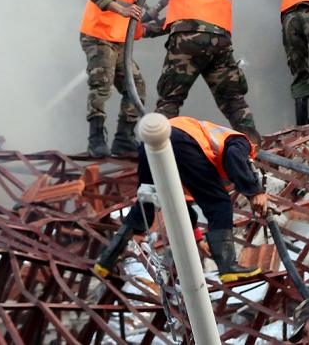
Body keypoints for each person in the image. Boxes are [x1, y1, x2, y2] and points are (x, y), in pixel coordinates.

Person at [93, 116, 269, 283]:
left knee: (144, 206)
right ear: (253, 146)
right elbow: (235, 157)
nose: (249, 161)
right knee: (219, 203)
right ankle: (228, 267)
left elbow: (181, 202)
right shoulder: (240, 141)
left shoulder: (202, 152)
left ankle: (105, 261)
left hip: (152, 143)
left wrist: (197, 238)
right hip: (179, 139)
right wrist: (255, 191)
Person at [79, 0, 190, 157]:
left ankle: (123, 138)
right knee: (102, 86)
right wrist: (122, 9)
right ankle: (95, 139)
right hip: (99, 36)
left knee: (136, 87)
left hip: (118, 39)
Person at [148, 0, 260, 144]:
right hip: (219, 41)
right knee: (233, 101)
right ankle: (253, 149)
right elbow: (186, 16)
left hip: (190, 40)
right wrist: (146, 29)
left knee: (170, 99)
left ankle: (162, 154)